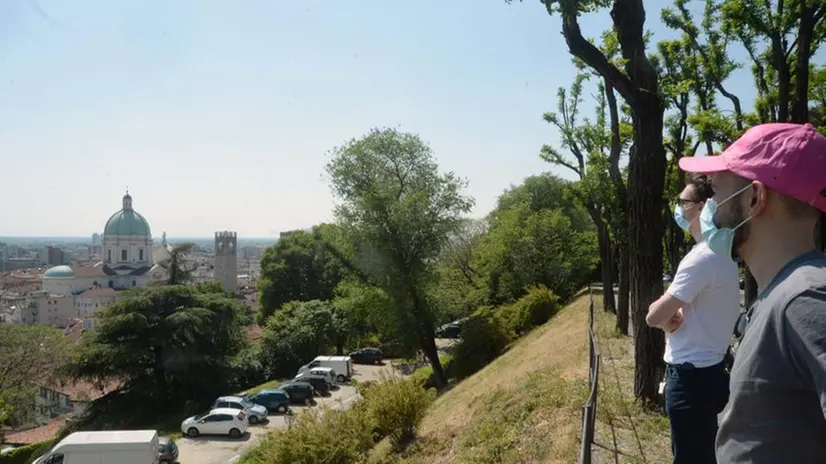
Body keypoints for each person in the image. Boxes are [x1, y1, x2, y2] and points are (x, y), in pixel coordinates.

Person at [679, 122, 826, 463]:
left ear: (755, 197)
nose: (708, 207)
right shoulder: (788, 293)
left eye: (714, 192)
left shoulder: (806, 300)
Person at [646, 173, 741, 464]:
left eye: (683, 202)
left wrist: (661, 314)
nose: (678, 208)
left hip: (690, 378)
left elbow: (653, 316)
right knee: (703, 453)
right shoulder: (723, 254)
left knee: (689, 457)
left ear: (701, 207)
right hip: (711, 371)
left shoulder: (700, 258)